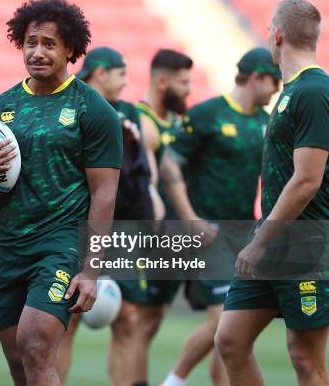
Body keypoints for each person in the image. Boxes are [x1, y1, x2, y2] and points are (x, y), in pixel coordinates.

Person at [0, 0, 122, 385]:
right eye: (31, 42)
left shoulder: (92, 110)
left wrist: (91, 270)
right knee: (20, 365)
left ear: (70, 50)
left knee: (35, 345)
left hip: (60, 244)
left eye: (49, 43)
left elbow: (105, 194)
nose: (38, 52)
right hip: (7, 246)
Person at [215, 0, 329, 386]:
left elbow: (307, 180)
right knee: (230, 339)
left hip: (305, 244)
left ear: (277, 34)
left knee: (304, 356)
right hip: (274, 238)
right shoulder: (291, 91)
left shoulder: (314, 92)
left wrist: (260, 242)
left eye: (268, 29)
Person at [160, 47, 281, 386]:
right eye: (274, 81)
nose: (276, 89)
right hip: (207, 233)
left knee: (231, 332)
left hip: (242, 236)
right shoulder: (208, 114)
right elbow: (170, 165)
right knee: (222, 319)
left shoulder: (265, 123)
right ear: (256, 77)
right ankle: (173, 381)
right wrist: (190, 220)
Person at [56, 46, 153, 386]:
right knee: (65, 321)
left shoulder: (129, 112)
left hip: (123, 231)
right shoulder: (69, 105)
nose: (126, 82)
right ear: (99, 73)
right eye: (121, 73)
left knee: (128, 319)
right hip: (75, 226)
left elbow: (142, 175)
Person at [120, 49, 194, 386]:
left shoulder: (179, 122)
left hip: (175, 234)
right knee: (135, 320)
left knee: (152, 320)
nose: (188, 89)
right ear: (162, 82)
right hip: (147, 235)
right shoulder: (140, 120)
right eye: (183, 82)